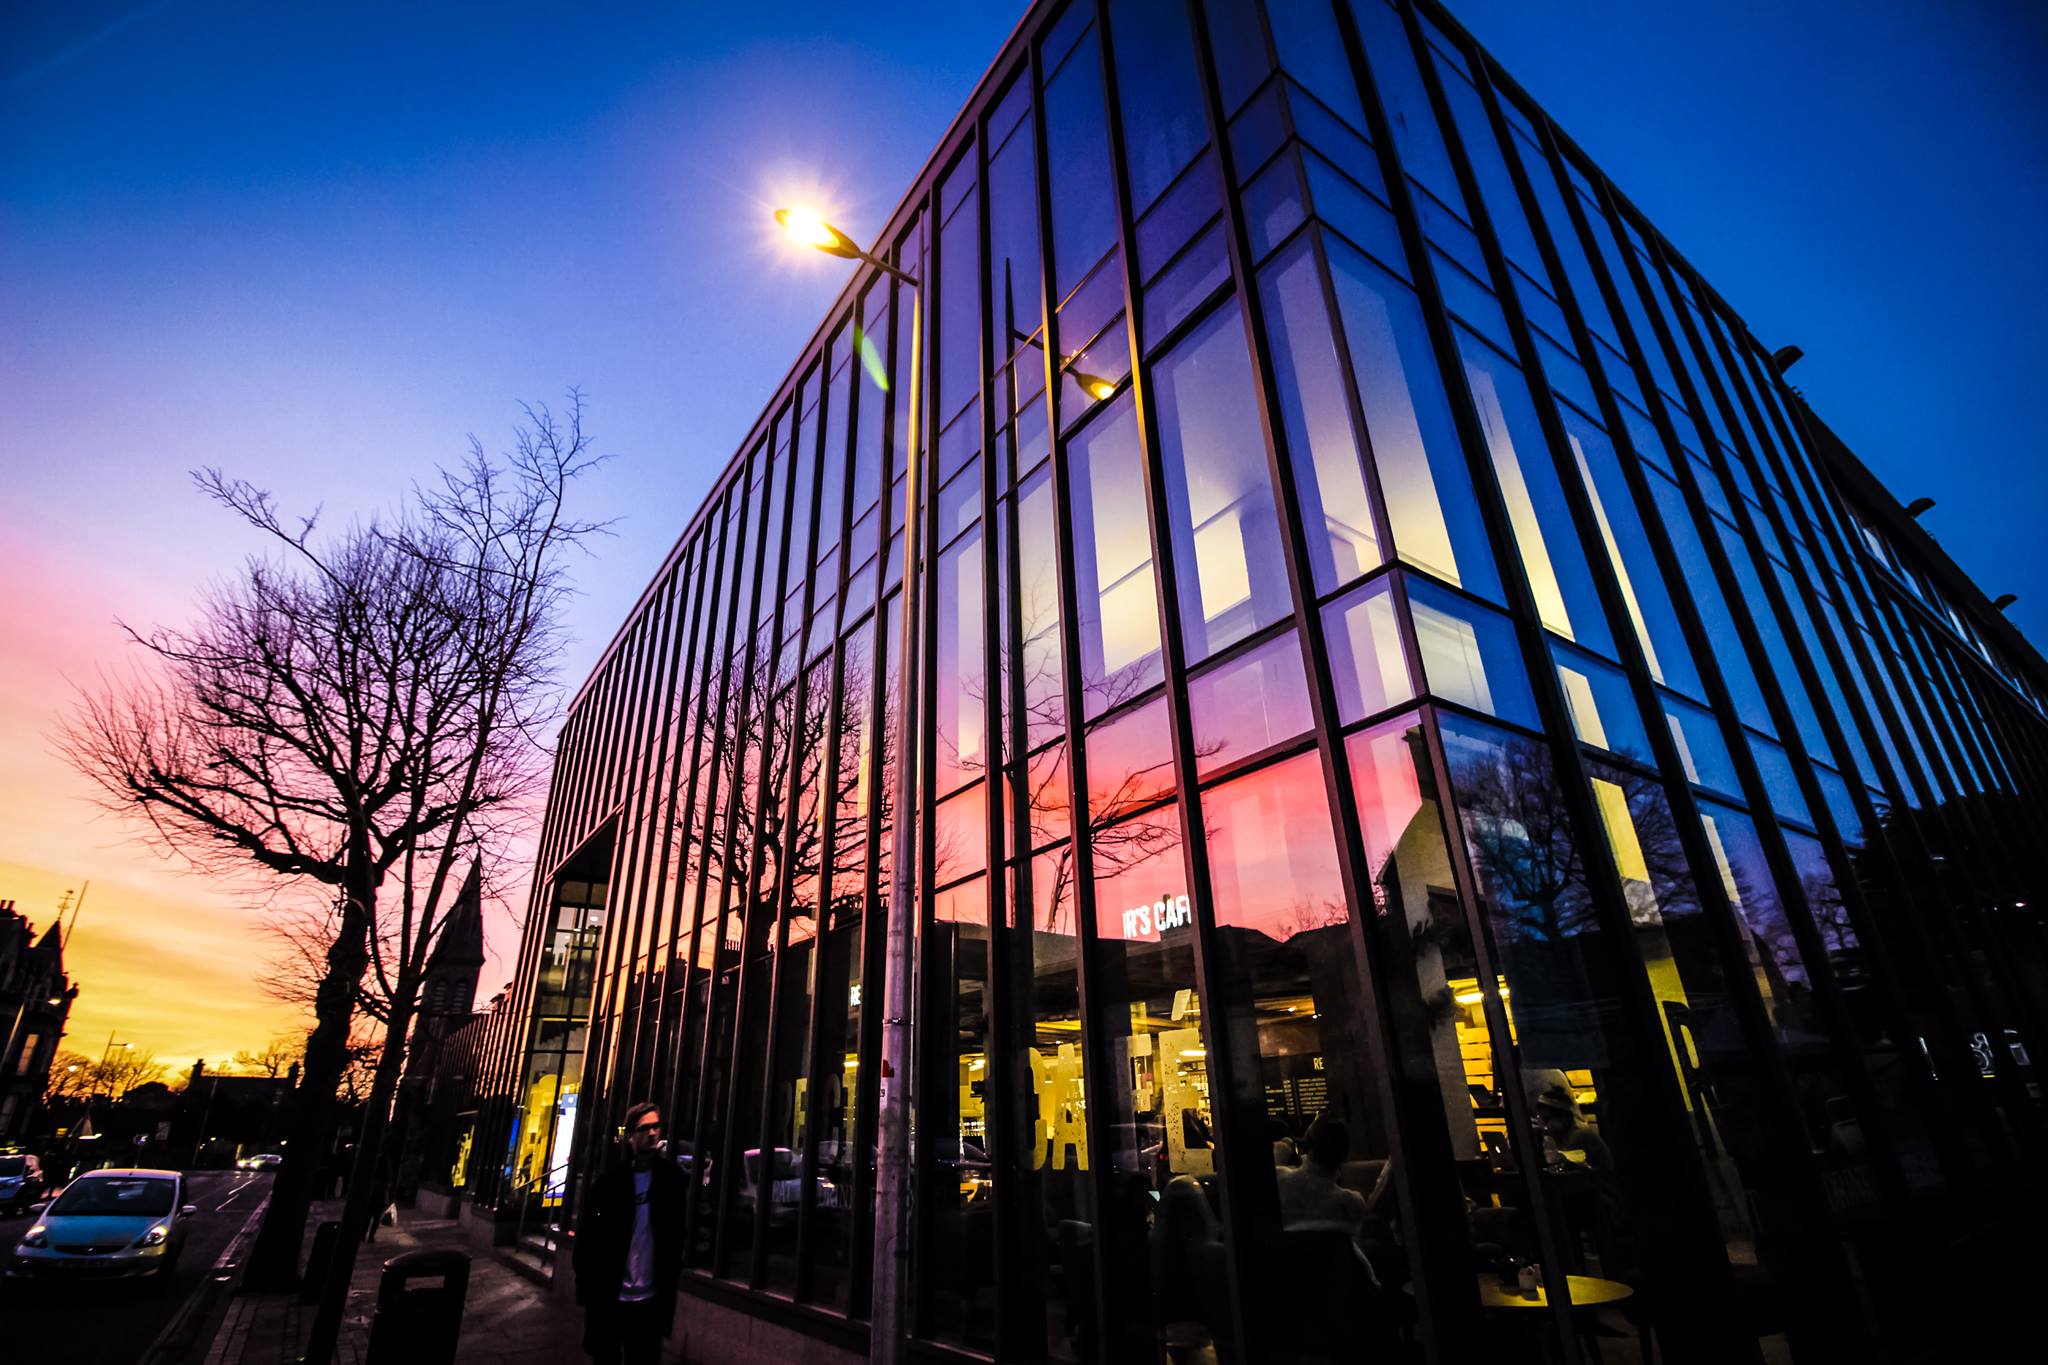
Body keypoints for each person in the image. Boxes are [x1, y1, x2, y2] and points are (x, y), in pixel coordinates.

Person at [575, 1102, 686, 1365]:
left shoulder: (670, 1180)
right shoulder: (609, 1184)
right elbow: (590, 1233)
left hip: (650, 1298)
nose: (651, 1134)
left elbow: (676, 1233)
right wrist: (586, 1286)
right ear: (630, 1136)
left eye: (655, 1127)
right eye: (644, 1128)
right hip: (612, 1296)